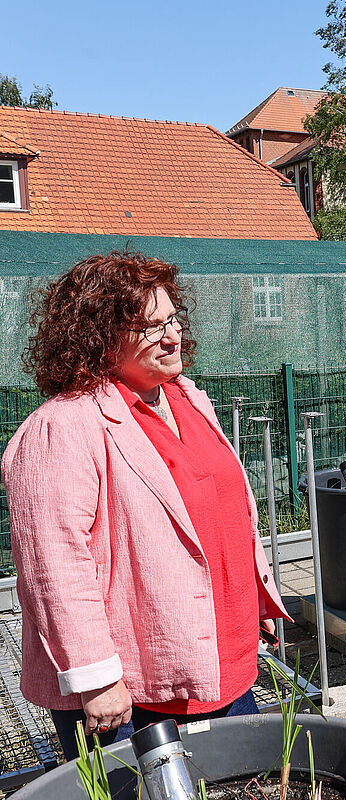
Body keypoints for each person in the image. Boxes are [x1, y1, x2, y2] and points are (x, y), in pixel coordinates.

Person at [3, 252, 288, 759]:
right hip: (132, 692)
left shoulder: (185, 398)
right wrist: (96, 677)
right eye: (150, 327)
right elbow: (54, 566)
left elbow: (225, 509)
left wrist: (255, 599)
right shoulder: (63, 426)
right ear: (98, 338)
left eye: (173, 318)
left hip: (224, 662)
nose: (172, 336)